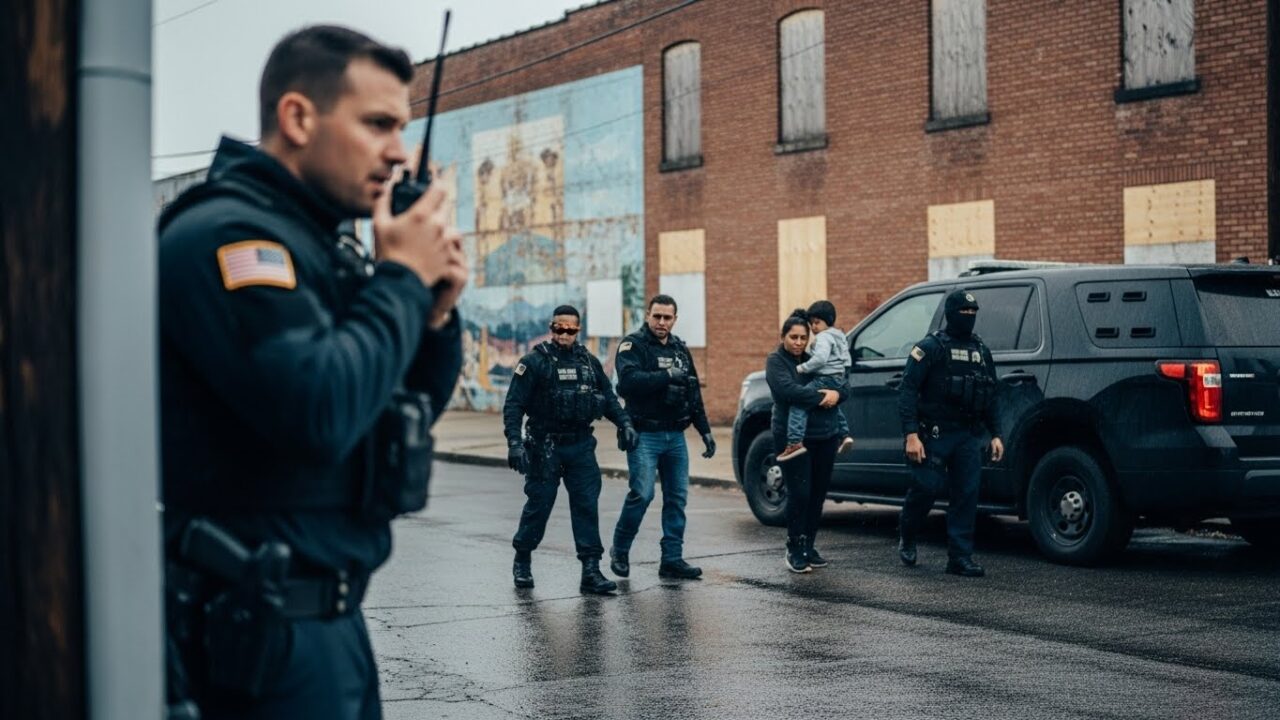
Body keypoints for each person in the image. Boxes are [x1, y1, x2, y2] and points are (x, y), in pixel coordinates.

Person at [158, 26, 466, 720]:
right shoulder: (229, 239)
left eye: (403, 128)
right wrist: (399, 278)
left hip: (331, 625)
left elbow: (396, 405)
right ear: (298, 118)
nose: (399, 151)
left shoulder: (320, 247)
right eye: (378, 124)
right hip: (254, 639)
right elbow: (319, 411)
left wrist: (434, 314)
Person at [503, 305, 638, 595]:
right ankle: (522, 559)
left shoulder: (588, 362)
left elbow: (608, 398)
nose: (564, 334)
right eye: (559, 328)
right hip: (545, 446)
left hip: (580, 445)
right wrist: (514, 443)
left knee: (586, 505)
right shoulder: (534, 362)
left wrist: (625, 423)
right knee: (539, 506)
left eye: (570, 330)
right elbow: (513, 405)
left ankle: (591, 570)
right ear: (551, 328)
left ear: (578, 330)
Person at [897, 289, 1004, 578]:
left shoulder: (981, 350)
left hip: (967, 434)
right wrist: (911, 435)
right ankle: (908, 534)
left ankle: (959, 557)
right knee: (926, 488)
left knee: (966, 494)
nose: (969, 317)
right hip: (933, 434)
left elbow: (990, 394)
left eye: (973, 313)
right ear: (950, 314)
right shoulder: (930, 347)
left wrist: (996, 434)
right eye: (963, 312)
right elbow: (907, 391)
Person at [608, 294, 715, 580]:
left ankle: (672, 559)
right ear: (648, 315)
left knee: (677, 498)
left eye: (667, 317)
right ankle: (620, 549)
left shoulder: (680, 348)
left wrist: (704, 430)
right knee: (642, 494)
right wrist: (666, 375)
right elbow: (627, 383)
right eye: (657, 316)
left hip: (675, 436)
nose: (662, 322)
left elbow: (693, 391)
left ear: (675, 319)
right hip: (644, 434)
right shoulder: (633, 345)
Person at [767, 311, 849, 573]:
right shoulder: (776, 361)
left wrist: (837, 394)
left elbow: (842, 384)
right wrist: (823, 397)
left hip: (824, 435)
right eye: (793, 337)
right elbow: (787, 390)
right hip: (793, 439)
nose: (799, 342)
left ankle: (808, 546)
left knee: (817, 494)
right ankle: (794, 547)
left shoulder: (815, 357)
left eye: (803, 337)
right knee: (800, 493)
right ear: (783, 336)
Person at [777, 300, 854, 462]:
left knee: (799, 405)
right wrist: (840, 379)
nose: (813, 327)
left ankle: (794, 442)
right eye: (811, 323)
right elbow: (846, 360)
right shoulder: (839, 335)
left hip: (825, 378)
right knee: (834, 406)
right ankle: (844, 435)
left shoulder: (823, 338)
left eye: (816, 322)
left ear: (828, 320)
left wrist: (802, 368)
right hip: (839, 376)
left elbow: (820, 359)